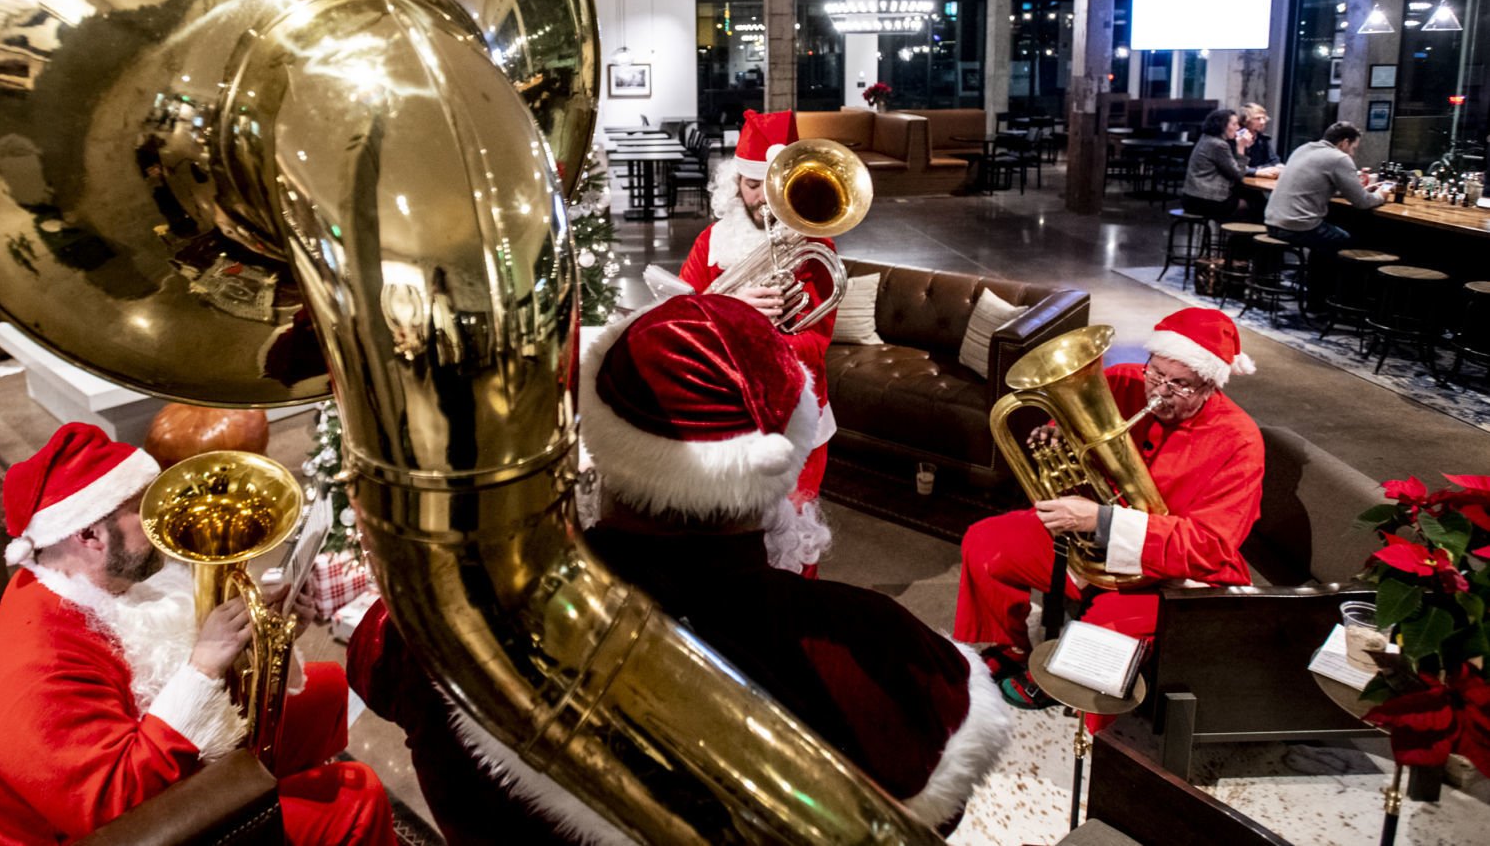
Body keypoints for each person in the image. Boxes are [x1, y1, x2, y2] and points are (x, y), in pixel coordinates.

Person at [347, 294, 1011, 840]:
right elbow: (939, 811)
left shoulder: (458, 623)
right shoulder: (884, 649)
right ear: (786, 453)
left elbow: (374, 671)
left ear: (599, 442)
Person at [0, 423, 393, 845]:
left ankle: (273, 790)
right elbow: (114, 804)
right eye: (145, 509)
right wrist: (202, 669)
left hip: (133, 767)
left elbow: (152, 667)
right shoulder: (36, 667)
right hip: (106, 829)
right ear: (89, 534)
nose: (167, 521)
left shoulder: (90, 587)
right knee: (355, 798)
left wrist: (262, 627)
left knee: (326, 692)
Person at [955, 308, 1265, 709]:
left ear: (1210, 385)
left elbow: (1210, 546)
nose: (1160, 391)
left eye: (1180, 385)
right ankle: (1009, 645)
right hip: (1091, 540)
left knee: (1102, 641)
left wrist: (1102, 520)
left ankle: (1067, 687)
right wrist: (1056, 434)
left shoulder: (1240, 441)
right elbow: (1072, 423)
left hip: (1169, 572)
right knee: (985, 543)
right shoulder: (1123, 380)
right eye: (1155, 373)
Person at [677, 108, 837, 574]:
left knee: (793, 532)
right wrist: (735, 311)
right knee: (727, 534)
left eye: (774, 187)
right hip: (726, 410)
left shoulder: (816, 248)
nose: (764, 201)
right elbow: (679, 319)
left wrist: (764, 334)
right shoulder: (711, 241)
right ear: (734, 186)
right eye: (752, 186)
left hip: (797, 413)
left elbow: (814, 346)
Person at [1264, 121, 1389, 314]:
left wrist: (1356, 190)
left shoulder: (1303, 148)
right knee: (1345, 241)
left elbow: (1318, 185)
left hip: (1272, 220)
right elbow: (1362, 203)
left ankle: (1316, 297)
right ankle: (1336, 303)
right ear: (1344, 143)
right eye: (1353, 148)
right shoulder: (1339, 158)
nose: (1353, 154)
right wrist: (1381, 195)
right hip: (1297, 226)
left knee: (1324, 244)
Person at [1180, 107, 1247, 221]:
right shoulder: (1219, 145)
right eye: (1234, 124)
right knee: (1251, 204)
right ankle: (1235, 238)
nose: (1238, 128)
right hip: (1205, 200)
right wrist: (1241, 147)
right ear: (1222, 126)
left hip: (1191, 197)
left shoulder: (1206, 138)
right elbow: (1238, 174)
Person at [1236, 103, 1282, 178]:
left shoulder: (1262, 139)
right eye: (1258, 118)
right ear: (1245, 120)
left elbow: (1274, 161)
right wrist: (1258, 171)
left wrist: (1280, 168)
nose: (1262, 122)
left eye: (1264, 118)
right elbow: (1234, 167)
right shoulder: (1234, 139)